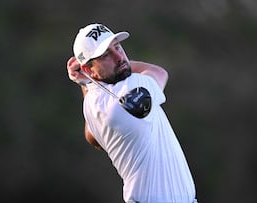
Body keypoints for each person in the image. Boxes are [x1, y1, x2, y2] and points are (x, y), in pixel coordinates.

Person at [66, 23, 197, 203]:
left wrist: (87, 82)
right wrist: (87, 79)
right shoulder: (133, 89)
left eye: (117, 47)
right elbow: (159, 72)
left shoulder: (91, 102)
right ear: (89, 69)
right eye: (106, 55)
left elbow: (91, 136)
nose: (119, 57)